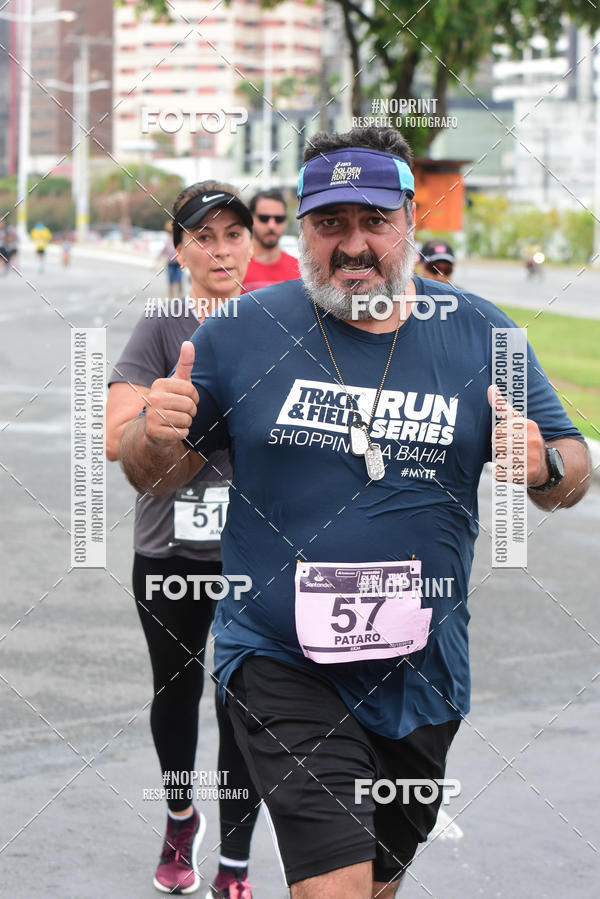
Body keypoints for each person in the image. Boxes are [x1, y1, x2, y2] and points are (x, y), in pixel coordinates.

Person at [118, 127, 591, 899]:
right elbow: (153, 473)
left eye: (375, 220)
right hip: (280, 658)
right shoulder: (240, 331)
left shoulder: (483, 333)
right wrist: (155, 432)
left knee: (376, 883)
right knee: (332, 885)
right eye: (330, 222)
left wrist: (546, 465)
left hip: (423, 673)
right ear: (301, 228)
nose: (354, 243)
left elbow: (573, 467)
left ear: (410, 219)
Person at [106, 181, 260, 898]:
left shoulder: (277, 322)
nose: (221, 249)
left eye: (234, 233)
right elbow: (114, 438)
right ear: (179, 249)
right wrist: (166, 412)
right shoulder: (163, 326)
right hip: (169, 551)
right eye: (204, 236)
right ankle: (179, 818)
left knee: (246, 705)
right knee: (175, 694)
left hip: (255, 555)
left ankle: (236, 861)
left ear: (252, 243)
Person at [241, 189, 300, 291]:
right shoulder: (235, 268)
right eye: (264, 218)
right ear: (250, 219)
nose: (272, 226)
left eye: (279, 219)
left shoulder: (299, 271)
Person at [160, 220, 184, 298]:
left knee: (179, 279)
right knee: (171, 281)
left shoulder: (179, 239)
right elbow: (164, 250)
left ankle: (180, 295)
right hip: (170, 263)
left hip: (179, 263)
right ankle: (171, 297)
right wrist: (158, 258)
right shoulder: (168, 240)